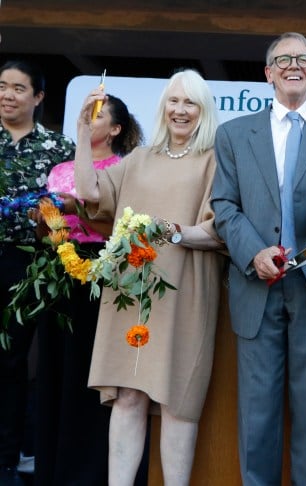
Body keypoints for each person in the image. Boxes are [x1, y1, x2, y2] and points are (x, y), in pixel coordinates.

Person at [211, 32, 306, 485]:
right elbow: (224, 206)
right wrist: (254, 252)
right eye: (283, 59)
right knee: (257, 408)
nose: (293, 65)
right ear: (268, 72)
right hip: (257, 282)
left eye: (304, 59)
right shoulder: (233, 133)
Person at [74, 69, 226, 485]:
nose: (180, 110)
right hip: (131, 290)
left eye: (190, 102)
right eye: (173, 101)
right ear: (163, 107)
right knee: (127, 395)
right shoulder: (140, 157)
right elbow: (89, 193)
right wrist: (84, 131)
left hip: (185, 290)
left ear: (203, 110)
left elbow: (219, 230)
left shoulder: (216, 159)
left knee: (178, 399)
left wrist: (173, 230)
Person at [34, 93, 142, 485]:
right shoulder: (61, 168)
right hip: (61, 270)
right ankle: (53, 468)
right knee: (57, 369)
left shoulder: (125, 167)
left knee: (92, 373)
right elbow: (46, 230)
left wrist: (78, 210)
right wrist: (46, 218)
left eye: (97, 117)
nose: (88, 121)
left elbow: (119, 226)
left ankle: (92, 471)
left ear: (114, 129)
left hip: (105, 273)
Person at [0, 59, 75, 486]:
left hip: (27, 262)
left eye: (18, 88)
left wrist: (46, 216)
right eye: (2, 86)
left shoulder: (60, 149)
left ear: (38, 97)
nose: (7, 95)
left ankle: (9, 456)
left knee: (13, 361)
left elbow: (69, 209)